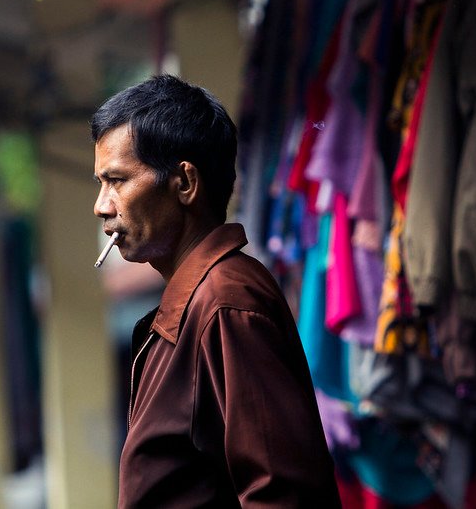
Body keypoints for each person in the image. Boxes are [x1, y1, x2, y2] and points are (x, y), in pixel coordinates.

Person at [91, 75, 341, 508]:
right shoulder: (198, 302)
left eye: (117, 181)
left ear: (185, 183)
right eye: (101, 183)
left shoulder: (227, 303)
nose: (101, 205)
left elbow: (283, 494)